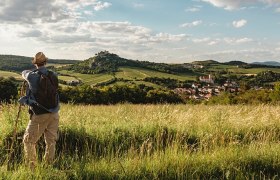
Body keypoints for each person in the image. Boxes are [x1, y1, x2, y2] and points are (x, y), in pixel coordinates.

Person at [19, 52, 60, 170]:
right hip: (54, 113)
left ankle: (32, 168)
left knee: (28, 141)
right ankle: (48, 166)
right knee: (51, 141)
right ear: (46, 62)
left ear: (35, 63)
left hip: (40, 114)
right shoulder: (53, 75)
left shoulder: (32, 76)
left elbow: (24, 73)